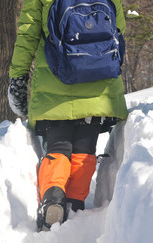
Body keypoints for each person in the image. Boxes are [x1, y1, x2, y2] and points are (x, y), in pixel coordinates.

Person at [8, 0, 129, 231]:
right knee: (85, 150)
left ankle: (53, 199)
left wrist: (18, 78)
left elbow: (27, 35)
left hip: (56, 80)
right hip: (98, 83)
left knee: (58, 146)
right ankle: (75, 205)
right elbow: (118, 28)